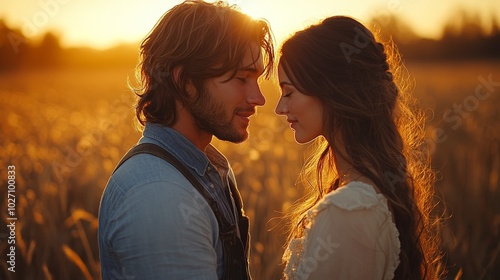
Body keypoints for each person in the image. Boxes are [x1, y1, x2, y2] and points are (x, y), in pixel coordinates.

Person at [98, 1, 274, 279]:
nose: (258, 98)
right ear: (185, 82)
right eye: (242, 78)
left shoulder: (206, 169)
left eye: (258, 79)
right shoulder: (158, 196)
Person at [275, 16, 443, 279]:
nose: (280, 108)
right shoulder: (367, 192)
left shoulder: (348, 211)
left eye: (288, 93)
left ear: (332, 90)